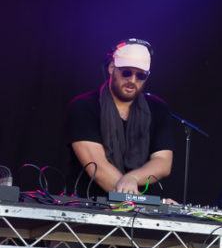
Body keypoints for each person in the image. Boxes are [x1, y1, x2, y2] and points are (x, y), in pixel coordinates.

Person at [66, 38, 174, 197]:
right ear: (111, 68)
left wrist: (133, 178)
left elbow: (163, 162)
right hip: (90, 203)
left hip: (139, 204)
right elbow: (97, 166)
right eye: (126, 72)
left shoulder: (158, 108)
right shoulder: (84, 106)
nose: (132, 80)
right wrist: (139, 202)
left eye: (141, 76)